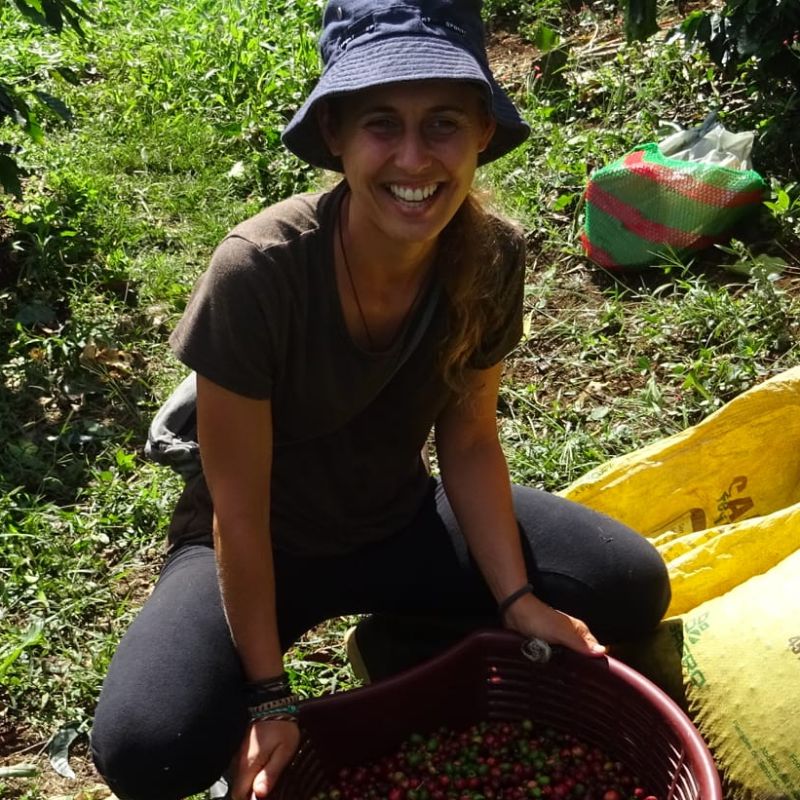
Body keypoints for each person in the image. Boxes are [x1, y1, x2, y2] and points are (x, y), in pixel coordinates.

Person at [90, 1, 671, 799]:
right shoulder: (257, 274)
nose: (412, 158)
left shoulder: (491, 256)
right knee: (148, 747)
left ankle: (407, 639)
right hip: (266, 541)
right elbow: (238, 507)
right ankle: (340, 656)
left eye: (441, 124)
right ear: (334, 135)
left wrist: (519, 599)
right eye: (379, 124)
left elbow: (467, 439)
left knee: (625, 584)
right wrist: (267, 694)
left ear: (482, 134)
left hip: (395, 518)